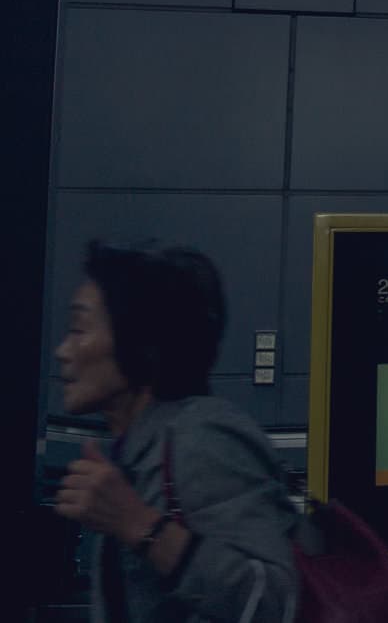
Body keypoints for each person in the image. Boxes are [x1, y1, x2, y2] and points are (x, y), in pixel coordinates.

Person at [52, 241, 297, 622]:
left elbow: (272, 604)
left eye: (79, 329)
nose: (63, 351)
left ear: (143, 344)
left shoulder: (203, 438)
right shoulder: (135, 449)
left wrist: (138, 524)